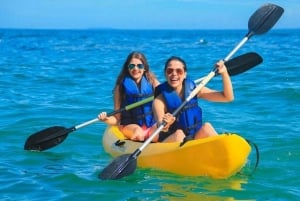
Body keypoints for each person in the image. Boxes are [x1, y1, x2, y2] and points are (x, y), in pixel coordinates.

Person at [152, 56, 234, 143]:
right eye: (170, 71)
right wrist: (165, 124)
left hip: (193, 138)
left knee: (207, 127)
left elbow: (227, 97)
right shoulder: (159, 100)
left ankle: (223, 150)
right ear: (165, 74)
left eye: (179, 71)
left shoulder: (194, 90)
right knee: (179, 135)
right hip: (171, 140)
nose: (174, 74)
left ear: (184, 74)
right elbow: (160, 124)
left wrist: (224, 73)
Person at [98, 51, 160, 141]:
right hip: (130, 126)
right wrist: (106, 119)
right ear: (127, 68)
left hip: (151, 124)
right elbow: (117, 119)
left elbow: (166, 97)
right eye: (132, 66)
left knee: (159, 132)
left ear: (145, 68)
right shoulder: (120, 88)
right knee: (138, 132)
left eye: (139, 66)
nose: (135, 69)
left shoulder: (152, 81)